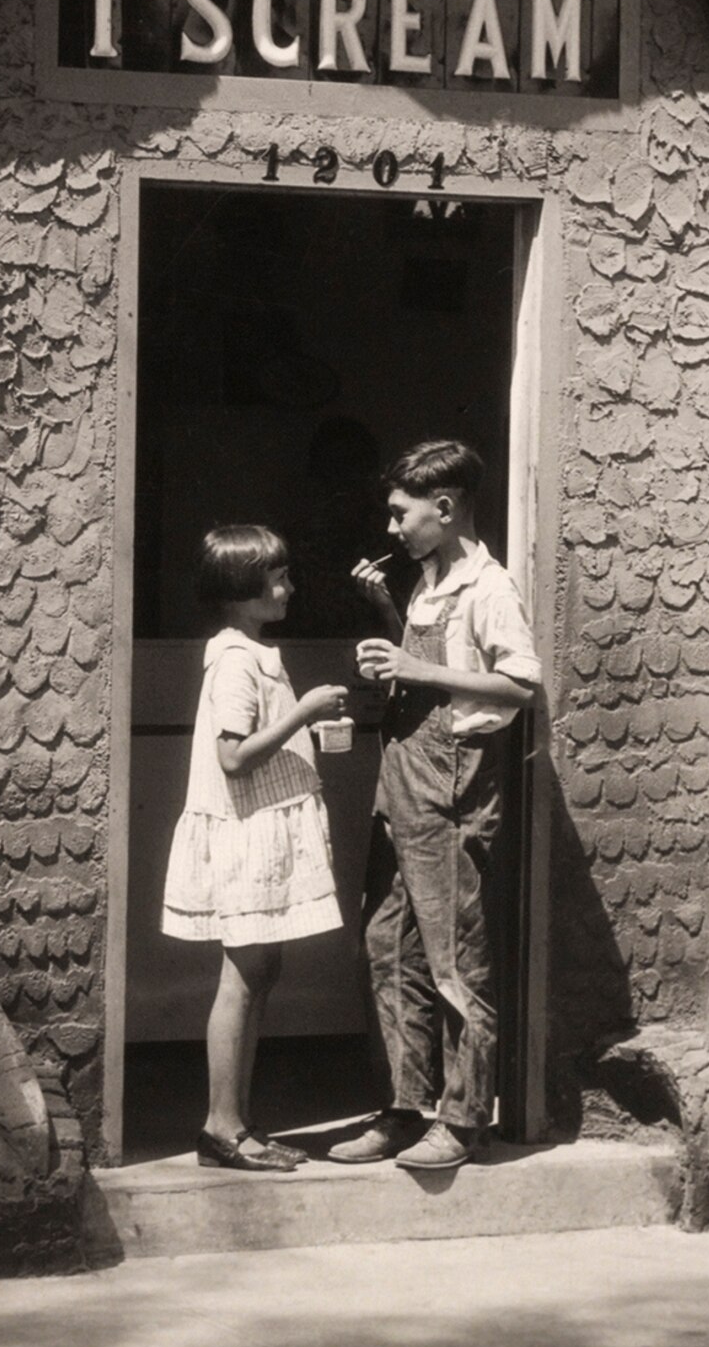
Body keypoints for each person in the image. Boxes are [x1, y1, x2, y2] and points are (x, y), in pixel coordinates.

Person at [332, 438, 540, 1170]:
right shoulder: (427, 582)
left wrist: (414, 664)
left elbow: (517, 684)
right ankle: (402, 1108)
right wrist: (387, 619)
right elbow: (436, 675)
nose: (391, 529)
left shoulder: (488, 588)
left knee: (456, 961)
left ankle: (462, 1118)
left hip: (453, 789)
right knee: (387, 950)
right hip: (402, 783)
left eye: (400, 514)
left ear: (444, 509)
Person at [161, 521, 351, 1172]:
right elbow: (233, 756)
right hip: (244, 837)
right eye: (277, 576)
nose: (288, 586)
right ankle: (220, 1126)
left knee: (260, 972)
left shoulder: (254, 653)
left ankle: (236, 1118)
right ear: (243, 589)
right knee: (241, 978)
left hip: (263, 832)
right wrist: (304, 713)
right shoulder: (236, 662)